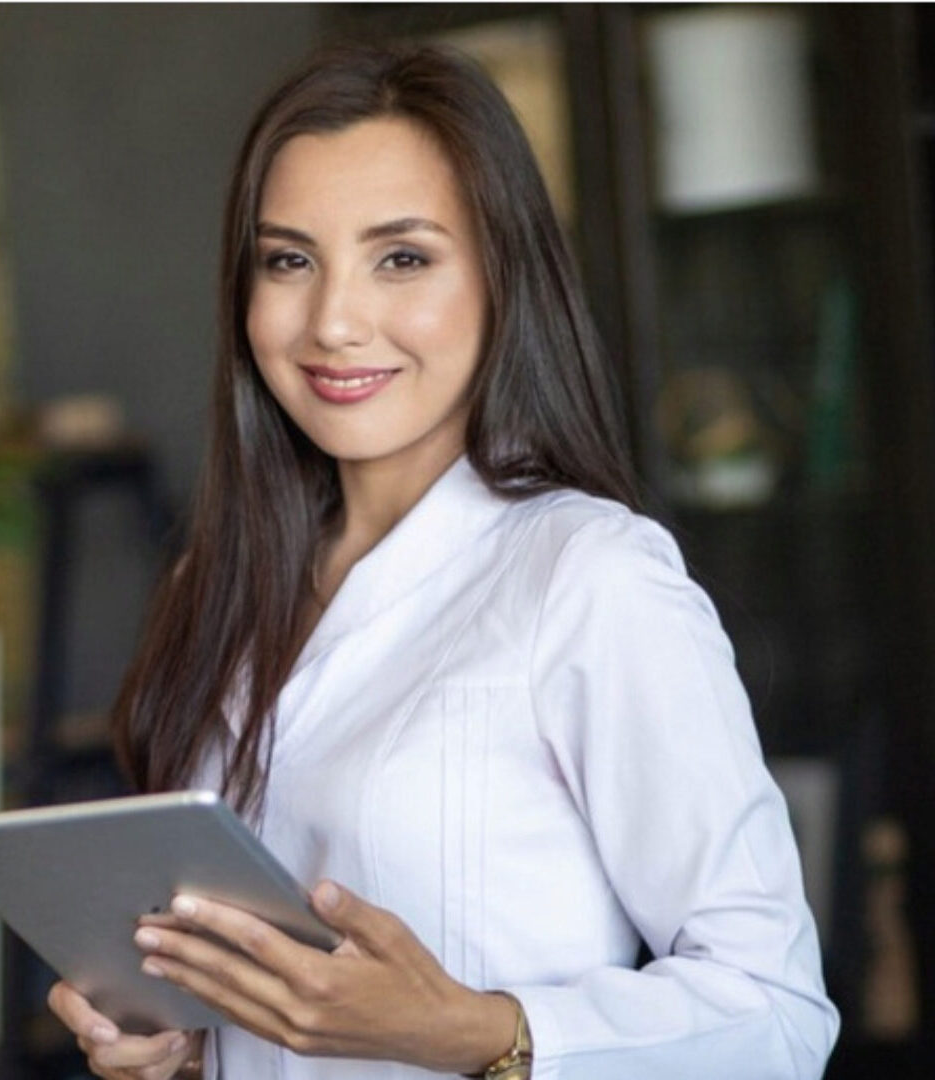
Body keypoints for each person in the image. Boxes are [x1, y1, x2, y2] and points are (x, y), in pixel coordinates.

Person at [48, 41, 840, 1080]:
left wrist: (469, 1030)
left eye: (402, 259)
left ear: (502, 277)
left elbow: (777, 1016)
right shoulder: (219, 588)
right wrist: (183, 1045)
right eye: (289, 261)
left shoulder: (589, 577)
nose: (334, 322)